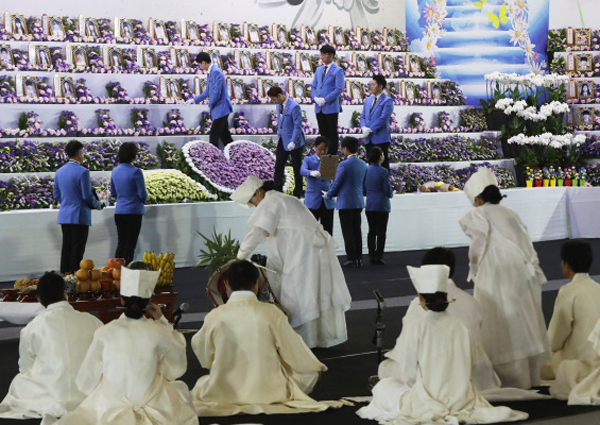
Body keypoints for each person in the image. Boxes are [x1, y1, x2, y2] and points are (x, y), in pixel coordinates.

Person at [357, 264, 529, 424]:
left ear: (421, 299)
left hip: (427, 399)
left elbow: (409, 373)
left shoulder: (418, 326)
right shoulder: (460, 326)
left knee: (384, 387)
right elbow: (474, 364)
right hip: (463, 398)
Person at [191, 260, 342, 415]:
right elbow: (294, 348)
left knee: (202, 384)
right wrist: (314, 367)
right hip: (267, 389)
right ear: (256, 284)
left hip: (223, 388)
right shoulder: (270, 312)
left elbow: (202, 353)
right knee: (310, 372)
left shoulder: (215, 315)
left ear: (227, 284)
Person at [56, 263, 198, 425]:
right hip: (155, 404)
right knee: (180, 390)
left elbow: (86, 379)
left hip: (111, 407)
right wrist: (163, 321)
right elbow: (176, 369)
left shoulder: (105, 332)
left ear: (122, 300)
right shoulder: (161, 332)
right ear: (150, 302)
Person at [231, 176, 351, 348]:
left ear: (259, 192)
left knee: (300, 294)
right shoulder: (283, 198)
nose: (255, 206)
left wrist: (240, 257)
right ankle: (321, 337)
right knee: (315, 291)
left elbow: (257, 233)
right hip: (313, 249)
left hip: (302, 252)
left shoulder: (270, 202)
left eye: (253, 201)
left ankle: (303, 342)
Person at [460, 168, 550, 389]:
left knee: (498, 316)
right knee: (522, 315)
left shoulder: (478, 214)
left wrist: (473, 268)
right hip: (520, 267)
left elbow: (477, 245)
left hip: (495, 267)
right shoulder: (512, 214)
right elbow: (526, 242)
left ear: (479, 198)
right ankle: (530, 376)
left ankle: (504, 377)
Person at [0, 272, 102, 424]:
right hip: (89, 392)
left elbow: (26, 368)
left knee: (20, 381)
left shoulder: (32, 328)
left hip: (49, 390)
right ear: (65, 294)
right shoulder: (93, 321)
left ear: (39, 300)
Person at [544, 240, 600, 400]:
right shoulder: (598, 288)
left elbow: (555, 338)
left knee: (540, 366)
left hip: (585, 361)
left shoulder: (568, 291)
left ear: (566, 265)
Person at [53, 140, 102, 274]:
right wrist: (97, 204)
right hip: (79, 215)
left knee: (66, 247)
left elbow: (56, 195)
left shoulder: (59, 172)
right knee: (77, 249)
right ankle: (75, 278)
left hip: (65, 215)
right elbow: (86, 196)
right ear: (79, 153)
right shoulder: (83, 172)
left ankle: (65, 277)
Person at [326, 136, 367, 268]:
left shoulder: (343, 164)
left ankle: (351, 257)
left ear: (345, 148)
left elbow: (337, 182)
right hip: (358, 201)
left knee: (347, 230)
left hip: (345, 201)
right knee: (357, 229)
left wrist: (329, 194)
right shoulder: (362, 164)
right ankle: (359, 257)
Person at [110, 142, 148, 265]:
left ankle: (116, 271)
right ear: (133, 155)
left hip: (119, 211)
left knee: (121, 242)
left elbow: (113, 193)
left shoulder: (115, 171)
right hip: (133, 212)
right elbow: (142, 195)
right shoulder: (136, 172)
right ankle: (126, 270)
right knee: (130, 244)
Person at [268, 85, 305, 198]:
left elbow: (297, 127)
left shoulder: (294, 107)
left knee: (297, 167)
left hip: (295, 141)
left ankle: (298, 191)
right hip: (282, 140)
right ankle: (277, 190)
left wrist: (293, 141)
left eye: (274, 99)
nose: (274, 102)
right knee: (278, 165)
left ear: (279, 95)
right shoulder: (279, 106)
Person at [190, 52, 233, 148]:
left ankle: (215, 160)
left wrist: (210, 105)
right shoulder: (211, 72)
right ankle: (237, 157)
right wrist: (194, 100)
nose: (200, 67)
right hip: (220, 109)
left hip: (221, 108)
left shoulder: (216, 72)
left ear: (204, 62)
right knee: (225, 137)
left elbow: (216, 93)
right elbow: (207, 92)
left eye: (200, 64)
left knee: (214, 136)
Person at [311, 45, 344, 155]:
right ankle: (323, 154)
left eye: (324, 54)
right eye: (321, 54)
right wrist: (315, 97)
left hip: (330, 107)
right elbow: (314, 86)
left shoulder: (337, 70)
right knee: (323, 133)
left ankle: (332, 156)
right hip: (319, 107)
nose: (322, 57)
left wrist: (325, 99)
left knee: (332, 134)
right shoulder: (319, 69)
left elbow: (338, 89)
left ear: (331, 55)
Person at [364, 147, 393, 265]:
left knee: (371, 231)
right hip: (382, 204)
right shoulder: (384, 171)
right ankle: (379, 255)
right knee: (381, 231)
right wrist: (392, 192)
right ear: (380, 157)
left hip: (370, 204)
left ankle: (371, 255)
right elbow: (387, 190)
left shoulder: (366, 170)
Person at [300, 137, 335, 235]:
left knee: (328, 232)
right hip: (313, 200)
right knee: (310, 231)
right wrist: (311, 173)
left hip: (327, 200)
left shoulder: (330, 160)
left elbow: (334, 178)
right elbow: (302, 170)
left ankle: (328, 250)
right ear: (315, 147)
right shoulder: (308, 159)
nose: (322, 152)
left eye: (325, 149)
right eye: (320, 149)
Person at [361, 75, 394, 170]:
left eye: (374, 85)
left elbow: (383, 118)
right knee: (371, 165)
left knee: (383, 166)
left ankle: (384, 184)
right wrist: (363, 127)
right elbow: (363, 116)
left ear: (380, 86)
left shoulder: (387, 100)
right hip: (369, 139)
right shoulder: (368, 100)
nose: (371, 87)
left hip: (380, 139)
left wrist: (371, 129)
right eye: (371, 84)